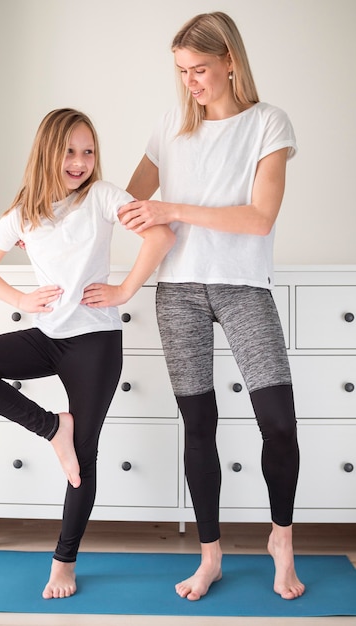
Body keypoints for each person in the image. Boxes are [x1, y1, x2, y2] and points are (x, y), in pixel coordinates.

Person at [0, 108, 175, 600]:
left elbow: (160, 236)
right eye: (70, 150)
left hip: (94, 343)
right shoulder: (24, 211)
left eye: (88, 151)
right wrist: (21, 300)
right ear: (48, 151)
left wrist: (124, 290)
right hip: (47, 335)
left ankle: (63, 563)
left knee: (81, 460)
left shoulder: (105, 197)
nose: (80, 161)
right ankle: (54, 427)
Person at [118, 12, 305, 601]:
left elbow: (259, 218)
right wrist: (48, 225)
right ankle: (210, 555)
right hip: (177, 291)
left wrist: (175, 210)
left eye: (200, 68)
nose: (191, 81)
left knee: (278, 422)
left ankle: (282, 539)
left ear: (230, 60)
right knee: (199, 424)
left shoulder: (268, 124)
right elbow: (128, 200)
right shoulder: (171, 124)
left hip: (243, 285)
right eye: (182, 71)